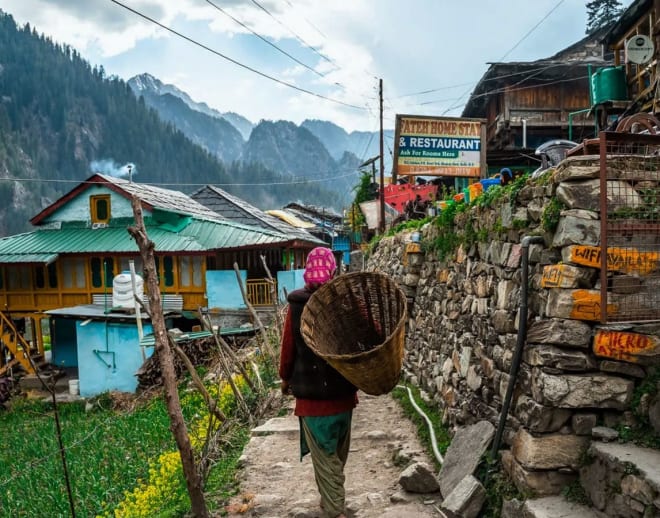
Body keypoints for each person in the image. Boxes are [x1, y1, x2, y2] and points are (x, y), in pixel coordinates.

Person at [279, 246, 358, 518]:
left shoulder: (297, 306)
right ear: (333, 271)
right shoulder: (342, 302)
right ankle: (332, 502)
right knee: (335, 458)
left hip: (312, 404)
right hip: (344, 399)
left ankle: (334, 509)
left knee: (326, 462)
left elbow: (287, 350)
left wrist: (284, 378)